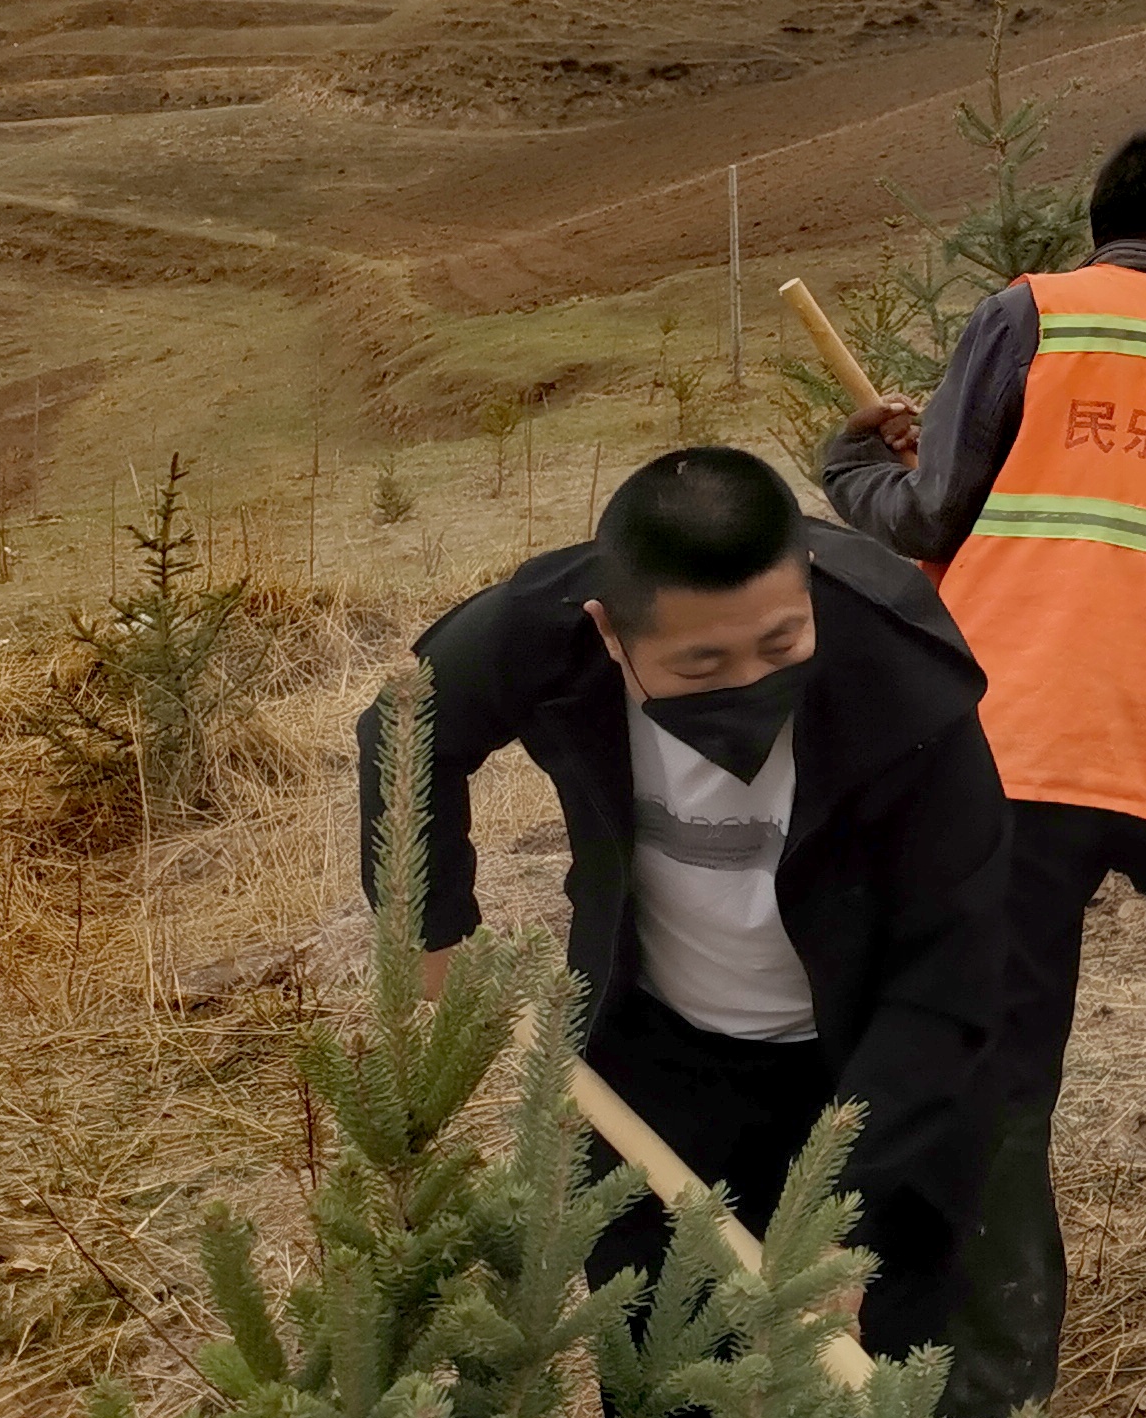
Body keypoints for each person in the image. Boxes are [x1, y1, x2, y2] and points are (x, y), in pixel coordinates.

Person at [824, 127, 1146, 1418]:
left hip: (1034, 743)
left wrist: (853, 471)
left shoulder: (1030, 314)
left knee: (1002, 1060)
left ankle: (991, 1389)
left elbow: (940, 514)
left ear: (1100, 224)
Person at [369, 447, 1007, 1365]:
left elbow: (949, 977)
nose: (749, 681)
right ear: (610, 635)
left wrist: (840, 1214)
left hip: (867, 1068)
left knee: (876, 1374)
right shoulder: (542, 633)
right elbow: (405, 724)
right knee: (660, 1360)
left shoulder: (905, 685)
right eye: (701, 665)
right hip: (654, 1055)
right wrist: (429, 927)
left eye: (781, 644)